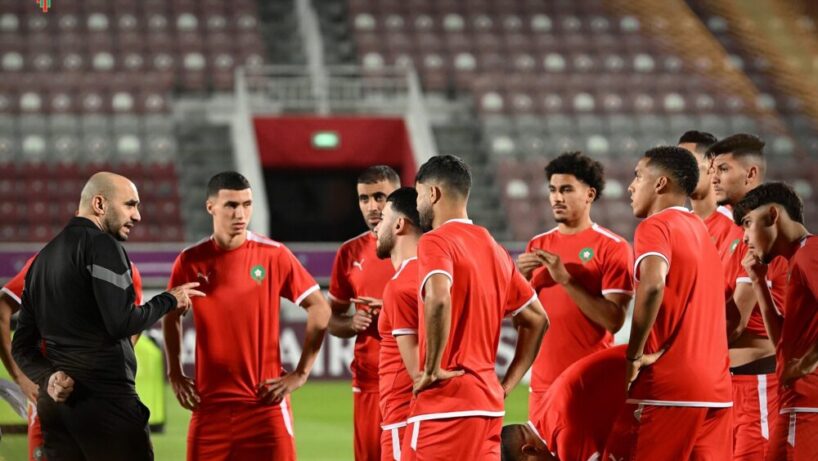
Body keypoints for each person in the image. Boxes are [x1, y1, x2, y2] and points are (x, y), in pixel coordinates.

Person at [11, 172, 201, 461]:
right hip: (106, 406)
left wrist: (49, 377)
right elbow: (121, 323)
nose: (137, 216)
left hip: (57, 411)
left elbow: (21, 346)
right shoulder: (103, 246)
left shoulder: (42, 260)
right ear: (99, 204)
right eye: (130, 205)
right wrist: (169, 300)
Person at [163, 171, 330, 460]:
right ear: (210, 207)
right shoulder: (190, 261)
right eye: (231, 205)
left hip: (264, 406)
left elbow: (320, 307)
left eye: (247, 204)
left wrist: (301, 373)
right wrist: (175, 371)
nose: (240, 213)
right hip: (209, 408)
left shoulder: (273, 255)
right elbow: (171, 314)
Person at [403, 155, 549, 460]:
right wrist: (507, 384)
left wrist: (431, 369)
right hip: (487, 408)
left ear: (433, 193)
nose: (417, 206)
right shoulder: (495, 249)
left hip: (443, 407)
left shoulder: (435, 242)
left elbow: (439, 296)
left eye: (418, 195)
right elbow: (537, 319)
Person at [604, 147, 732, 460]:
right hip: (716, 388)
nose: (632, 186)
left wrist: (634, 354)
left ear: (660, 184)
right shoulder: (701, 230)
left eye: (638, 176)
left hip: (670, 386)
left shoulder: (655, 226)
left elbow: (653, 285)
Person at [516, 152, 633, 423]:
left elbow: (614, 320)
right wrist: (519, 285)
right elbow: (523, 322)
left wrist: (566, 279)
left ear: (589, 194)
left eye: (566, 189)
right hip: (542, 386)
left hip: (587, 383)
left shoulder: (612, 247)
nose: (557, 198)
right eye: (553, 190)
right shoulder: (537, 245)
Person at [1, 255, 144, 461]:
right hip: (53, 399)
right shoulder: (46, 262)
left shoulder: (127, 270)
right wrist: (20, 378)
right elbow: (2, 308)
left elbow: (134, 323)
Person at [708, 134, 787, 460]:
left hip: (759, 384)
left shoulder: (766, 232)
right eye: (711, 168)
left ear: (751, 174)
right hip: (731, 384)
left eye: (723, 169)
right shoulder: (730, 229)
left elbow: (735, 324)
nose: (714, 177)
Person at [733, 182, 818, 460]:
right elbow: (783, 340)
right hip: (795, 403)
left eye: (747, 223)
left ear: (773, 214)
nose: (745, 237)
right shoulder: (797, 259)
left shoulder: (811, 253)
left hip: (809, 406)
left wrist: (805, 364)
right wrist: (758, 282)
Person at [328, 165, 400, 461]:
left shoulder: (427, 247)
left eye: (380, 197)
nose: (372, 206)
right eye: (364, 199)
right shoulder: (350, 252)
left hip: (416, 379)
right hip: (370, 382)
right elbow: (331, 319)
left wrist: (397, 310)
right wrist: (352, 323)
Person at [371, 187, 422, 461]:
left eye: (383, 219)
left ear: (400, 224)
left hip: (404, 421)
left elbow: (417, 372)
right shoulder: (437, 275)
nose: (376, 228)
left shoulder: (400, 285)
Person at [677, 130, 736, 264]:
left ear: (712, 163)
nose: (679, 171)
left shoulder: (735, 225)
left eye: (687, 162)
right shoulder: (680, 227)